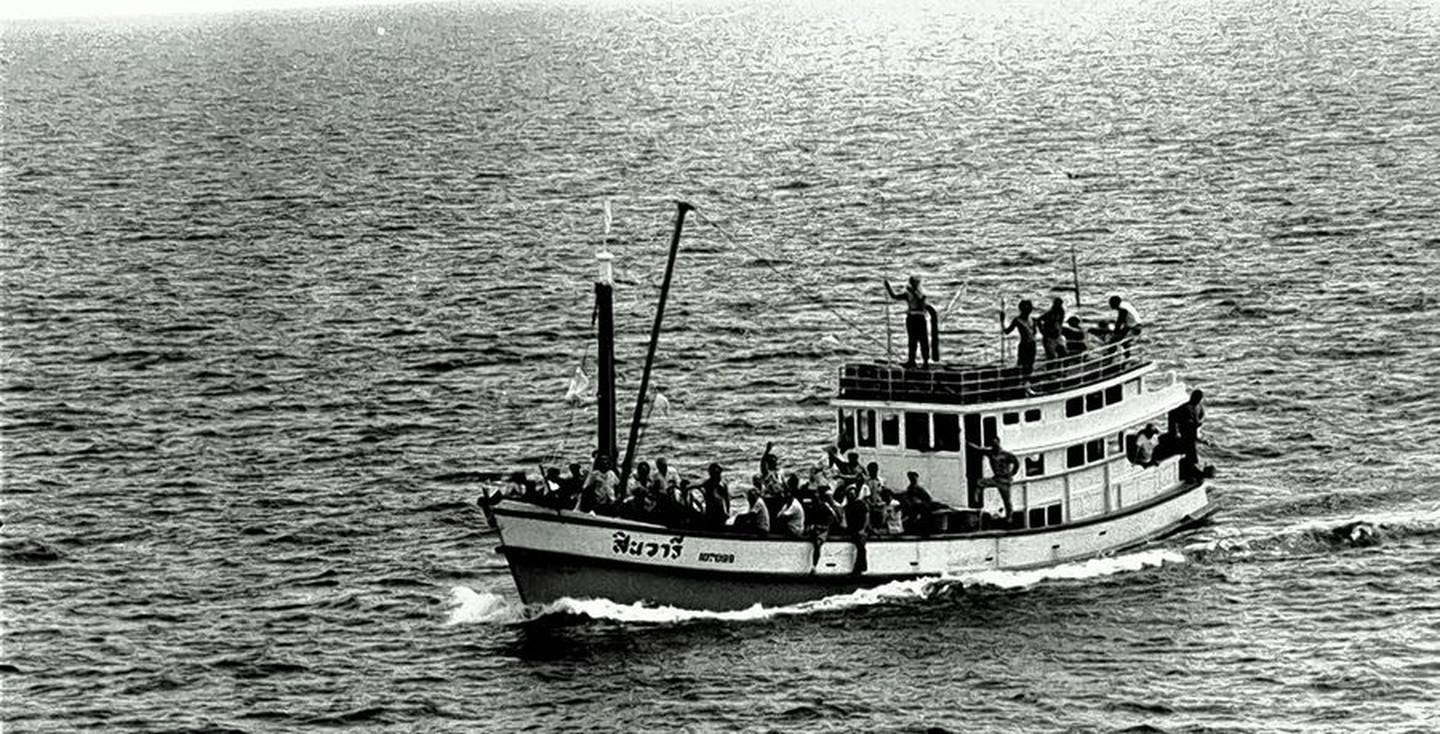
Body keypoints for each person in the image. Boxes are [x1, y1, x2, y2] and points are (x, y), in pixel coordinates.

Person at [885, 274, 932, 369]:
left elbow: (922, 304)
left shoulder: (921, 294)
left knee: (921, 340)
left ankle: (923, 362)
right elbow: (894, 296)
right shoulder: (910, 293)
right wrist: (888, 287)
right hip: (914, 318)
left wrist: (915, 293)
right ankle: (913, 361)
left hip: (917, 318)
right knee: (913, 341)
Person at [968, 437, 1018, 518]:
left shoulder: (1006, 455)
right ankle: (976, 499)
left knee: (1007, 501)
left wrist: (1012, 473)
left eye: (996, 443)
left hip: (1005, 480)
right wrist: (967, 442)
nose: (995, 445)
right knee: (980, 482)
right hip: (996, 478)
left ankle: (1009, 517)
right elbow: (978, 449)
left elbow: (1016, 463)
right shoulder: (990, 453)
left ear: (999, 443)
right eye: (993, 444)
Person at [1003, 299, 1038, 377]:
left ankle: (1027, 382)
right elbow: (1007, 331)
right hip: (1024, 345)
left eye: (1029, 308)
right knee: (1022, 364)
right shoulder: (1018, 320)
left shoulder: (1033, 320)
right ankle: (1021, 381)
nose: (1028, 309)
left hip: (1032, 344)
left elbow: (1034, 332)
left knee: (1030, 364)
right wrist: (1003, 322)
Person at [1174, 389, 1206, 470]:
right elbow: (1178, 419)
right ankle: (1191, 464)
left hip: (1195, 429)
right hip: (1187, 430)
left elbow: (1202, 415)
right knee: (1190, 447)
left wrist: (1199, 421)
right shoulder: (1186, 407)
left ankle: (1193, 463)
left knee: (1192, 446)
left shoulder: (1199, 406)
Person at [701, 463, 732, 527]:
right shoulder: (707, 484)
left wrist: (727, 511)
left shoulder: (723, 484)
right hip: (711, 510)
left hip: (721, 510)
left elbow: (726, 499)